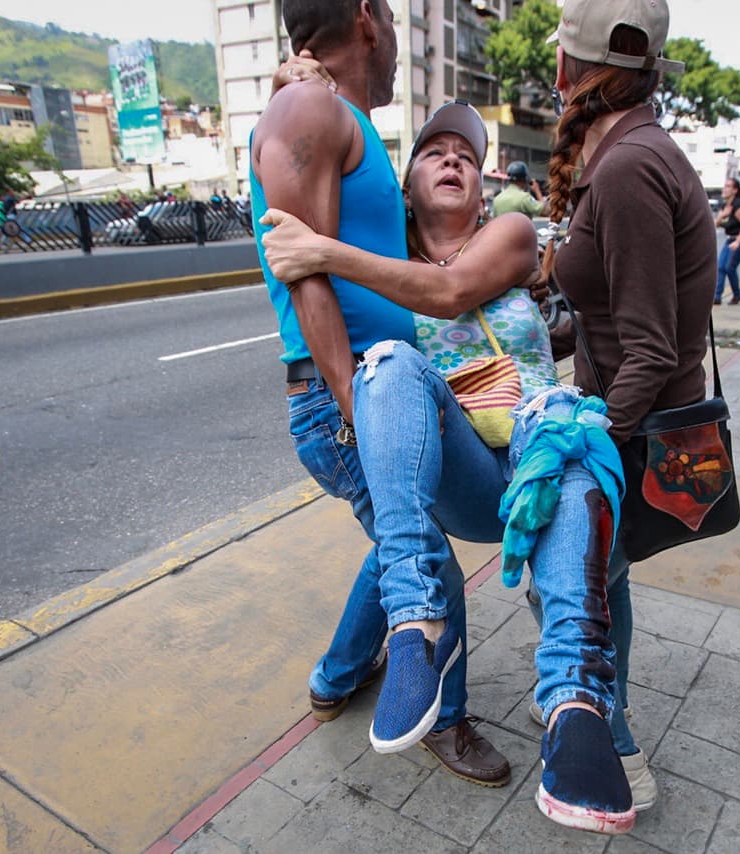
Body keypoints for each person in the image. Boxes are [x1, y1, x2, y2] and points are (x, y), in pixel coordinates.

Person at [260, 67, 644, 832]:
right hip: (467, 468)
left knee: (561, 420)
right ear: (406, 186)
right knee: (391, 364)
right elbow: (315, 160)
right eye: (433, 151)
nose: (451, 161)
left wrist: (320, 251)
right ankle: (417, 625)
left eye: (466, 157)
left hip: (538, 450)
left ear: (482, 186)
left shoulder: (506, 235)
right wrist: (299, 75)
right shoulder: (390, 247)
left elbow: (445, 292)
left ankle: (574, 702)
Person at [248, 0, 510, 791]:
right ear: (367, 17)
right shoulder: (308, 108)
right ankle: (446, 717)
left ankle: (334, 678)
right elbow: (305, 270)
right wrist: (355, 405)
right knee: (422, 552)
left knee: (396, 541)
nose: (397, 40)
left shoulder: (335, 114)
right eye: (394, 18)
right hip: (349, 393)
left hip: (380, 383)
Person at [536, 0, 712, 828]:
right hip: (625, 411)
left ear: (570, 72)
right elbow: (615, 322)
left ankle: (609, 739)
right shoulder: (632, 153)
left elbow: (649, 347)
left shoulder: (629, 169)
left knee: (574, 586)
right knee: (596, 583)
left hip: (632, 428)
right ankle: (602, 715)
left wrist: (585, 436)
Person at [714, 176, 740, 305]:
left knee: (729, 267)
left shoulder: (738, 205)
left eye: (728, 186)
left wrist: (738, 242)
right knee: (720, 267)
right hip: (730, 239)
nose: (725, 189)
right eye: (725, 186)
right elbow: (717, 224)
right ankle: (717, 297)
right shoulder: (726, 206)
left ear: (735, 190)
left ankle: (737, 295)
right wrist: (722, 215)